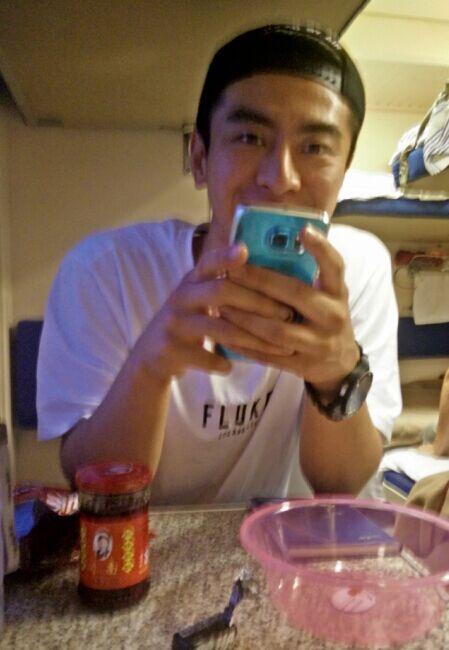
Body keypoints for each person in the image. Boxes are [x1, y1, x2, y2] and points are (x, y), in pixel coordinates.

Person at [36, 24, 402, 504]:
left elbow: (339, 484)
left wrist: (336, 376)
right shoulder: (105, 272)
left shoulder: (359, 268)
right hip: (142, 541)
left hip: (275, 540)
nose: (280, 179)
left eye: (314, 148)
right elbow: (91, 483)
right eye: (250, 137)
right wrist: (150, 367)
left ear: (344, 171)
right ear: (200, 157)